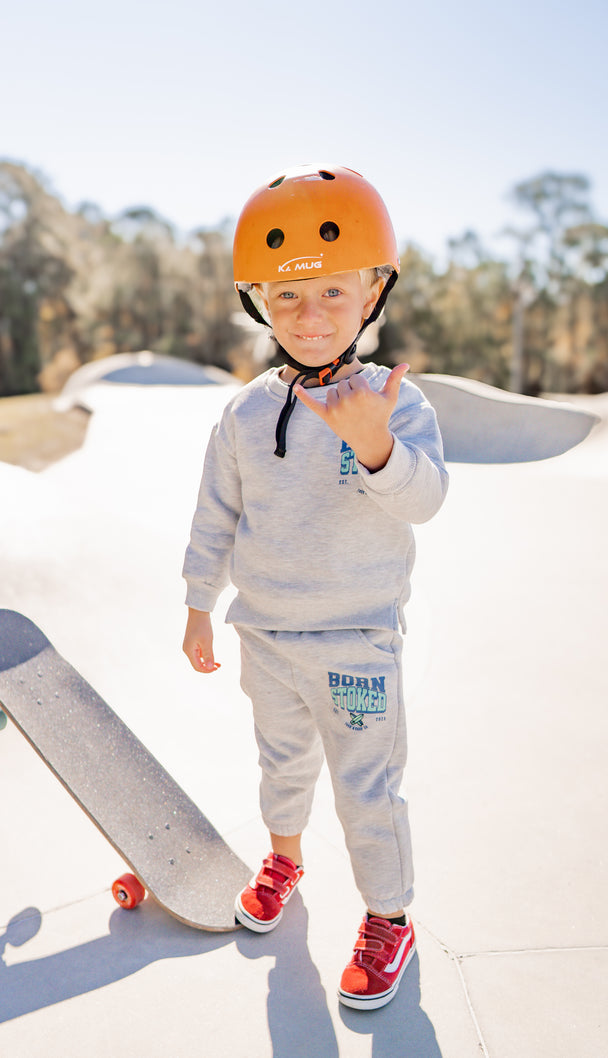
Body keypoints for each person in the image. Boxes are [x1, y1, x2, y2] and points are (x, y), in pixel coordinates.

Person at [182, 164, 448, 1010]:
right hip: (265, 640)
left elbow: (426, 500)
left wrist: (379, 449)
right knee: (281, 770)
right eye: (286, 297)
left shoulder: (397, 405)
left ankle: (387, 916)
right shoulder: (245, 415)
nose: (309, 315)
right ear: (259, 303)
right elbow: (216, 514)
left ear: (373, 291)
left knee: (366, 789)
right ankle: (285, 861)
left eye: (332, 291)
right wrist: (199, 603)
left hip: (356, 645)